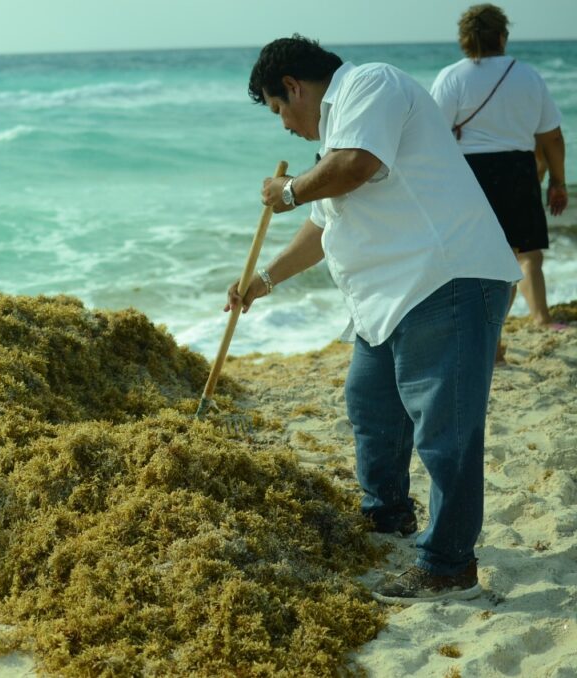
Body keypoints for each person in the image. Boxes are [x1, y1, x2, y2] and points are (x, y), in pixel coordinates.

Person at [231, 35, 521, 604]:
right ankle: (387, 516)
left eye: (278, 111)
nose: (285, 126)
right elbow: (322, 229)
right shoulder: (337, 139)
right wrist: (259, 283)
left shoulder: (370, 85)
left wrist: (286, 190)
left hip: (445, 277)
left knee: (446, 434)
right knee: (369, 406)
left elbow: (356, 168)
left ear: (293, 87)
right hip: (387, 300)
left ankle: (448, 567)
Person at [430, 3, 568, 335]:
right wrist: (558, 182)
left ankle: (487, 334)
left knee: (478, 259)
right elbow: (552, 137)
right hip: (520, 171)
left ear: (464, 38)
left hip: (468, 173)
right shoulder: (528, 75)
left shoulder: (452, 76)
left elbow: (432, 134)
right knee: (525, 252)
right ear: (502, 36)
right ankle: (541, 319)